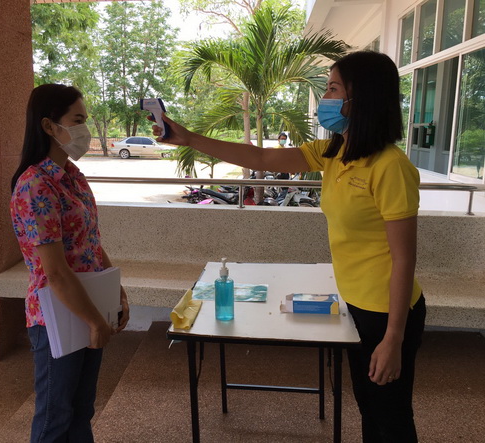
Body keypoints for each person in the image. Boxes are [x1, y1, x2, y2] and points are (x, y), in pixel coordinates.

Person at [151, 51, 426, 442]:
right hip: (356, 301)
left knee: (391, 415)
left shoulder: (390, 167)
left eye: (333, 89)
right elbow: (260, 156)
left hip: (387, 312)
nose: (324, 98)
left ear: (360, 98)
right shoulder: (333, 153)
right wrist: (190, 139)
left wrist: (393, 337)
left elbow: (404, 258)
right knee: (370, 405)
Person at [10, 84, 130, 442]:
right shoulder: (35, 185)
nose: (85, 130)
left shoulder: (73, 176)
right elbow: (56, 273)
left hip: (89, 304)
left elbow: (90, 241)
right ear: (49, 126)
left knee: (81, 409)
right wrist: (95, 320)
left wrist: (116, 290)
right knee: (55, 415)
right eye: (77, 120)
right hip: (56, 315)